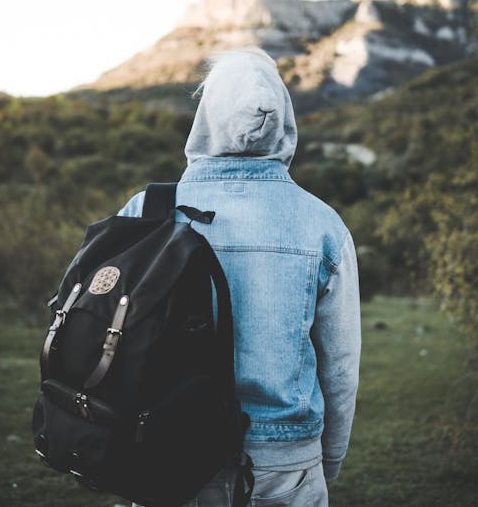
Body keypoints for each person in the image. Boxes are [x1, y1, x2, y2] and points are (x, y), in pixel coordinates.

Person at [118, 46, 361, 507]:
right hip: (284, 461)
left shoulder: (144, 211)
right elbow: (340, 366)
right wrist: (326, 462)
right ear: (284, 118)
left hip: (167, 450)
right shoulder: (323, 224)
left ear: (207, 115)